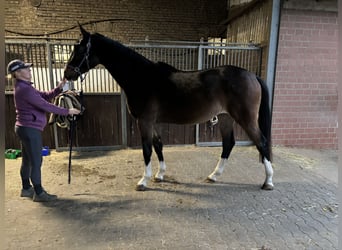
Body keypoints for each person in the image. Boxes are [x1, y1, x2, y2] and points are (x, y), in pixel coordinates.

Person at [7, 59, 81, 202]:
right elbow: (45, 105)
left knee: (27, 160)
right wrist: (68, 111)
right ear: (17, 73)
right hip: (30, 129)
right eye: (26, 69)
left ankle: (26, 188)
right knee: (36, 161)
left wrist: (60, 87)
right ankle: (39, 193)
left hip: (24, 127)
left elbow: (45, 96)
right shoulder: (25, 89)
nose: (30, 70)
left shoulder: (24, 87)